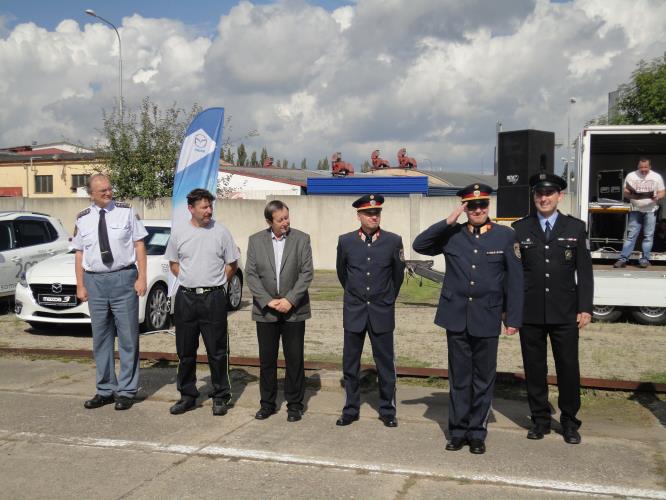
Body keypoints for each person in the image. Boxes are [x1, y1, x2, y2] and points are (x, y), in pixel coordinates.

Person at [412, 184, 523, 454]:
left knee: (483, 379)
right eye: (471, 206)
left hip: (487, 315)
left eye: (482, 205)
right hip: (456, 316)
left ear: (488, 207)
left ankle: (477, 433)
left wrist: (514, 318)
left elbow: (516, 280)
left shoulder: (505, 236)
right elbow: (420, 245)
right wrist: (449, 220)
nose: (478, 210)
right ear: (464, 207)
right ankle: (458, 431)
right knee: (459, 378)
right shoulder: (453, 235)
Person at [512, 173, 593, 444]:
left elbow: (585, 272)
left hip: (565, 311)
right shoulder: (520, 229)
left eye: (549, 194)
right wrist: (511, 309)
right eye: (538, 194)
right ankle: (540, 420)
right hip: (531, 311)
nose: (543, 198)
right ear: (534, 197)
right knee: (534, 368)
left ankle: (569, 421)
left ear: (559, 196)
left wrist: (585, 307)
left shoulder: (575, 228)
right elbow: (514, 274)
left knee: (568, 368)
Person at [74, 173, 148, 411]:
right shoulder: (82, 218)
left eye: (109, 188)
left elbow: (139, 245)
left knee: (128, 337)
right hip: (94, 281)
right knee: (101, 339)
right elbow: (79, 253)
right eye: (102, 190)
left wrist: (142, 277)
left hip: (123, 278)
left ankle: (126, 390)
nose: (108, 193)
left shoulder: (126, 211)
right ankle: (105, 389)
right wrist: (80, 285)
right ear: (91, 194)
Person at [165, 188, 240, 416]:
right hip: (186, 298)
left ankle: (220, 396)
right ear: (191, 208)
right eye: (204, 207)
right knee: (185, 351)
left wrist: (215, 284)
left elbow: (232, 264)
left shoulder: (221, 232)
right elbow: (174, 263)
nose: (209, 211)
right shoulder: (179, 233)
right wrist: (191, 281)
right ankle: (187, 395)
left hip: (214, 298)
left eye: (210, 206)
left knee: (217, 351)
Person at [335, 194, 405, 428]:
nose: (373, 216)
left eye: (377, 213)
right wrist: (358, 297)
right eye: (368, 213)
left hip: (381, 311)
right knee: (350, 364)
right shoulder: (346, 241)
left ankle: (387, 410)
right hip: (355, 311)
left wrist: (384, 300)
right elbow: (342, 274)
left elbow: (397, 276)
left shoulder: (393, 241)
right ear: (359, 216)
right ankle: (350, 409)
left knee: (385, 364)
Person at [246, 200, 314, 422]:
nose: (286, 222)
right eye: (280, 219)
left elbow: (306, 273)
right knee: (267, 359)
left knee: (294, 359)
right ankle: (267, 403)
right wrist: (267, 301)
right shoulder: (255, 241)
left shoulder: (301, 239)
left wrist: (290, 300)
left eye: (287, 217)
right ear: (269, 221)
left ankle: (295, 405)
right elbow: (251, 274)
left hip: (294, 310)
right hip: (266, 312)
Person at [614, 158, 665, 268]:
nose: (643, 169)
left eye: (645, 167)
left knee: (648, 236)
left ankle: (645, 260)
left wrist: (657, 196)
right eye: (641, 167)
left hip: (651, 210)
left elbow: (662, 192)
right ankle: (623, 259)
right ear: (638, 167)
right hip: (636, 209)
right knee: (631, 235)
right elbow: (625, 192)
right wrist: (632, 195)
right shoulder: (631, 176)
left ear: (650, 167)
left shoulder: (656, 177)